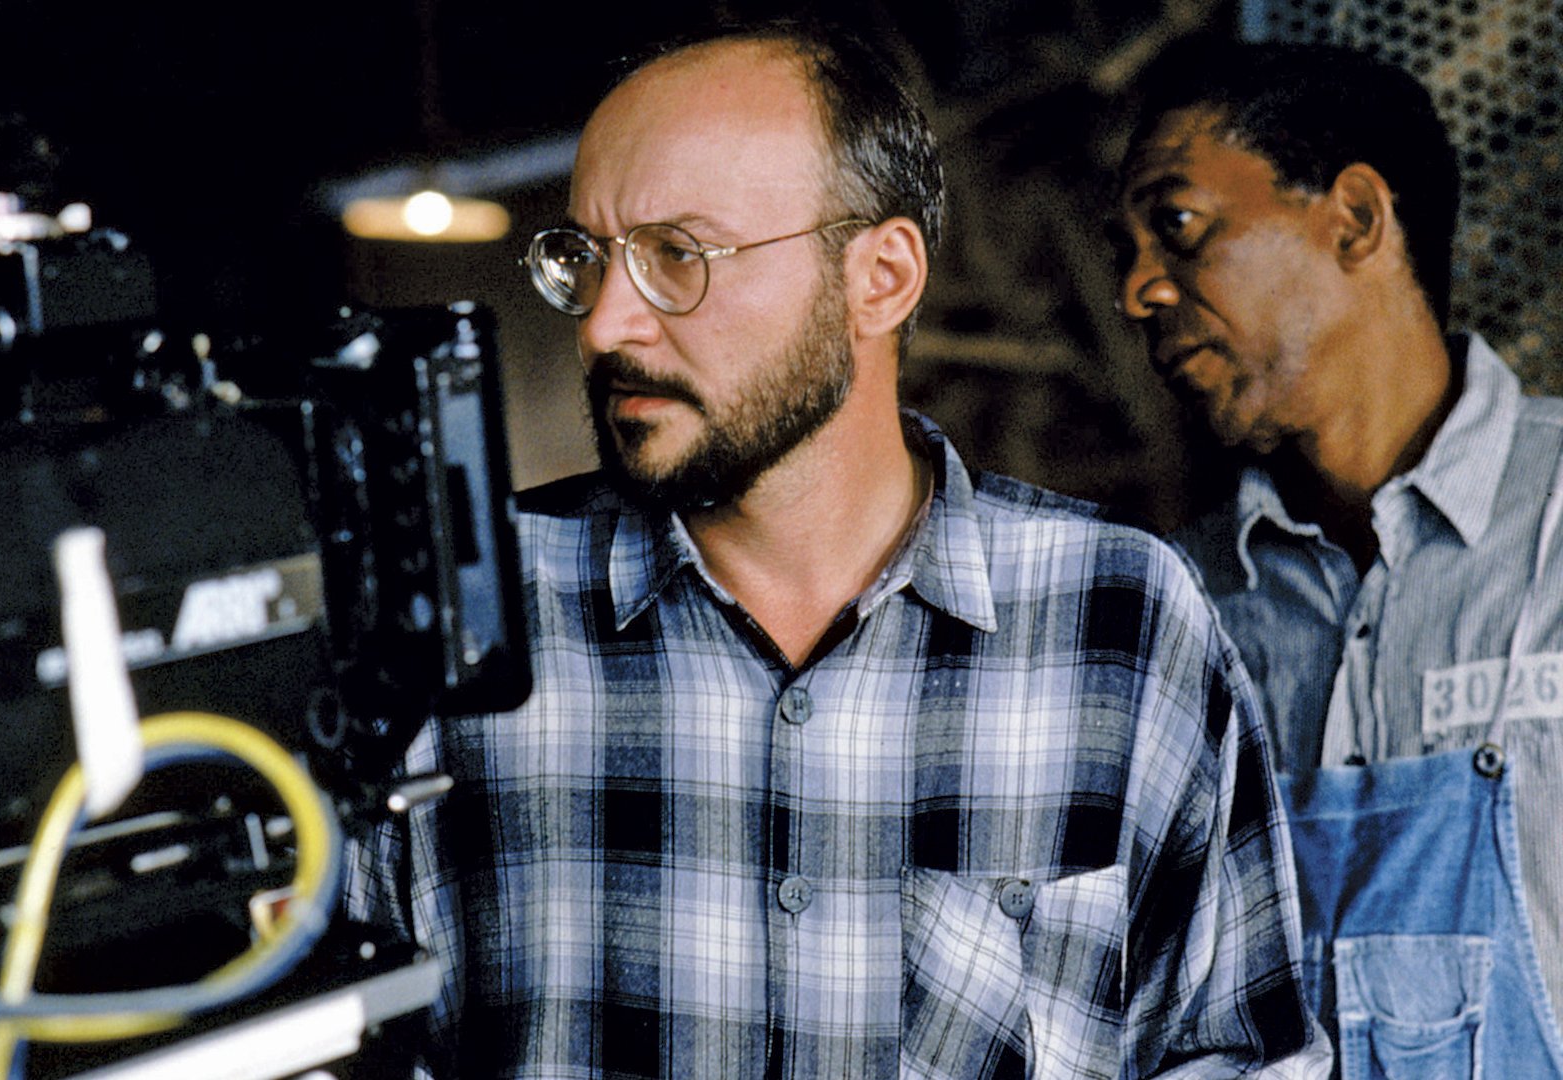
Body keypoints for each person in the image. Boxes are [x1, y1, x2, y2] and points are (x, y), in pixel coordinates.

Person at [348, 18, 1326, 1077]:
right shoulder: (455, 623)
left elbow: (1241, 1054)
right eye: (586, 258)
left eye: (678, 255)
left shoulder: (1122, 621)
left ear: (881, 277)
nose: (604, 323)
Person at [1114, 41, 1563, 1076]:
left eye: (1177, 227)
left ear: (1355, 219)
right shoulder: (1174, 617)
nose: (1140, 290)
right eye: (1125, 251)